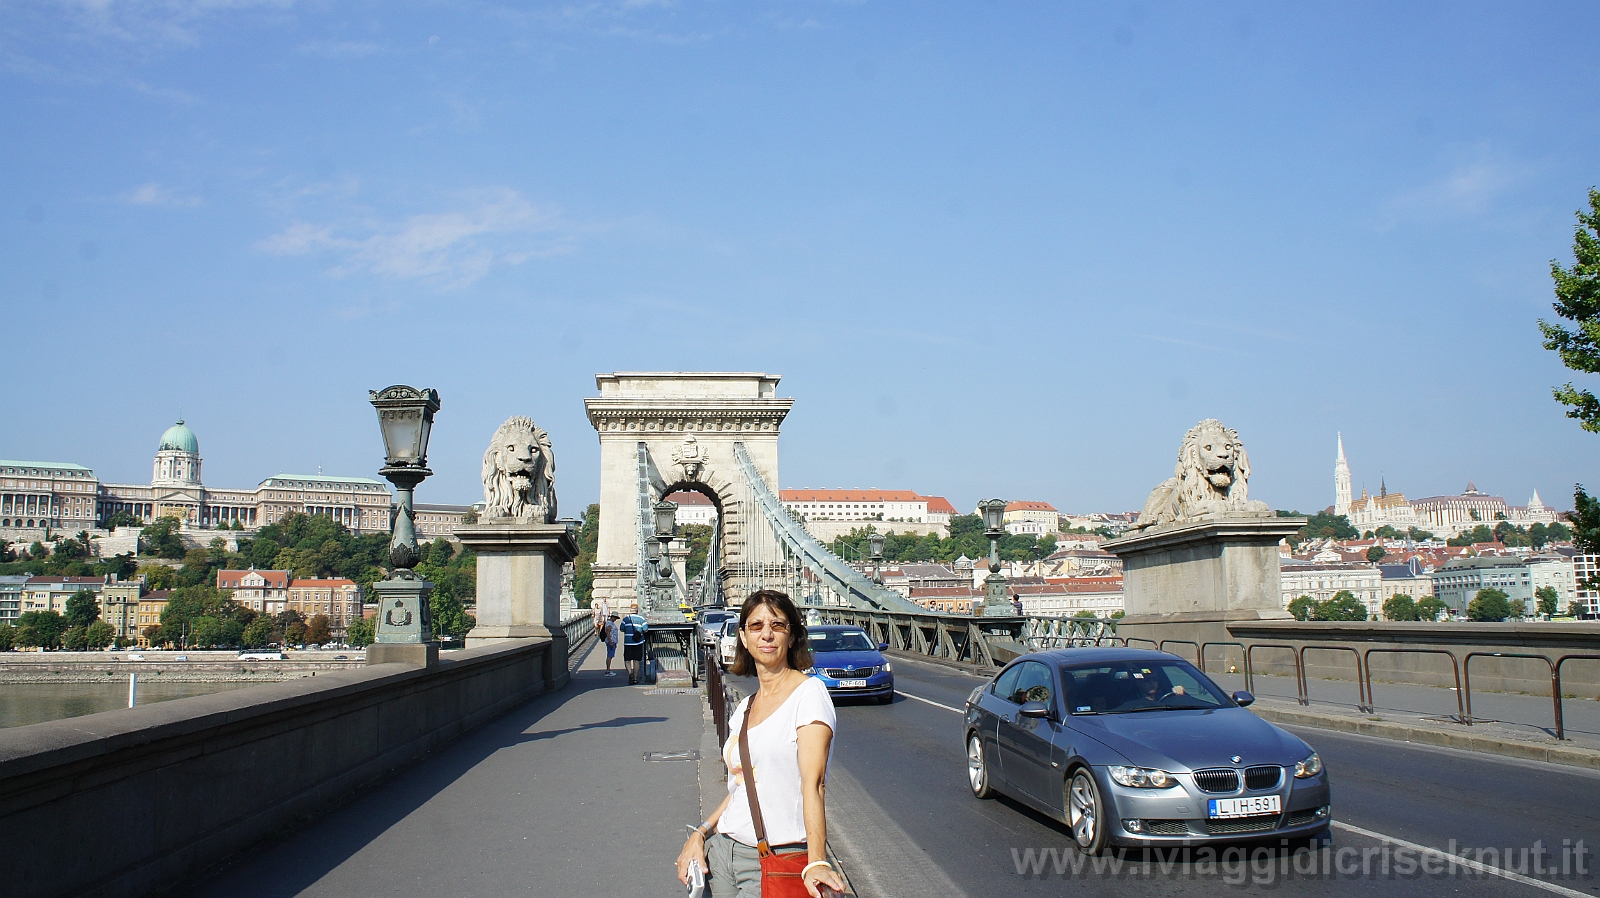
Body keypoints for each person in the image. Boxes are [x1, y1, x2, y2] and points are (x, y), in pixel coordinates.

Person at [676, 591, 847, 898]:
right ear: (743, 636)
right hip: (722, 854)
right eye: (756, 626)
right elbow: (742, 786)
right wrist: (700, 834)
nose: (766, 634)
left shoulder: (809, 694)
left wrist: (818, 860)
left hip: (773, 859)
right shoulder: (746, 707)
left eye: (777, 625)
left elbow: (815, 783)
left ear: (792, 636)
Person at [619, 603, 649, 685]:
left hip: (628, 642)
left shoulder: (626, 619)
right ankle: (635, 678)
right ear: (637, 610)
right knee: (637, 661)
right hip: (638, 642)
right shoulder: (641, 618)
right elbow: (646, 629)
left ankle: (630, 673)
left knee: (627, 660)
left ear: (630, 610)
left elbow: (621, 629)